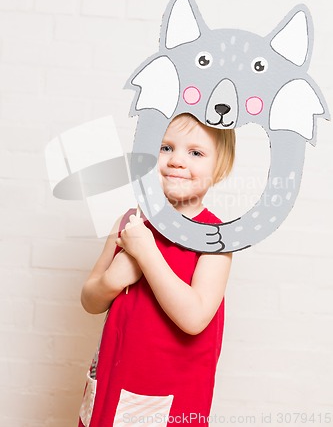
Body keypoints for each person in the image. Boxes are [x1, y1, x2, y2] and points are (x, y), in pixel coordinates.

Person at [78, 114, 235, 427]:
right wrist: (112, 280)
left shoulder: (215, 240)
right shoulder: (128, 222)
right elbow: (90, 300)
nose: (177, 160)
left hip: (171, 390)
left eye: (195, 153)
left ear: (219, 168)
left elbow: (194, 318)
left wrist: (147, 254)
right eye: (165, 148)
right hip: (112, 376)